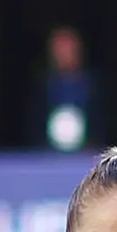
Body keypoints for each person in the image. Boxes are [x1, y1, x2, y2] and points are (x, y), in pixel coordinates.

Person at [38, 27, 96, 155]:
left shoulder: (91, 86)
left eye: (67, 48)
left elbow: (99, 122)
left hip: (84, 157)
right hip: (48, 156)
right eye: (59, 49)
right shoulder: (43, 86)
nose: (63, 54)